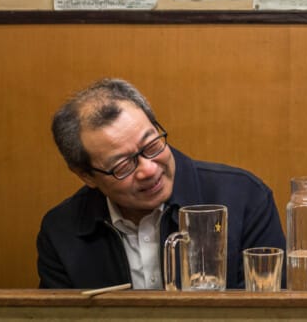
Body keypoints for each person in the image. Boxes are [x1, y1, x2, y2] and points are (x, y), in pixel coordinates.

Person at [36, 78, 285, 290]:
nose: (149, 169)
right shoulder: (62, 231)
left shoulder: (244, 198)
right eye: (123, 165)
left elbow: (270, 310)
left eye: (152, 145)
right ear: (86, 175)